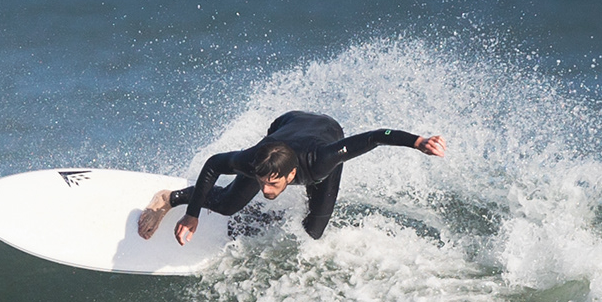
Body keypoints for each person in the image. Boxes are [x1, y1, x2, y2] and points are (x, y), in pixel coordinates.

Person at [138, 111, 445, 244]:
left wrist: (419, 142)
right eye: (263, 183)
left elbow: (377, 136)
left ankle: (258, 219)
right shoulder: (255, 160)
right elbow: (213, 165)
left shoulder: (323, 161)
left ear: (292, 175)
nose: (266, 189)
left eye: (273, 183)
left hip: (324, 132)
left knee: (313, 232)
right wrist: (192, 215)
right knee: (229, 204)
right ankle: (169, 198)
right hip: (286, 124)